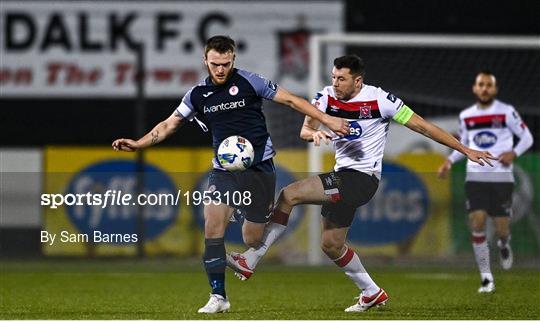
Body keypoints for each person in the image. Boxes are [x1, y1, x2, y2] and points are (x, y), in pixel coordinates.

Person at [226, 55, 496, 312]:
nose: (335, 83)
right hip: (343, 174)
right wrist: (315, 135)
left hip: (361, 179)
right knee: (331, 244)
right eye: (333, 77)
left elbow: (423, 127)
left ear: (358, 81)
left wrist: (465, 150)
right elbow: (305, 130)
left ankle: (252, 258)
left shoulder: (381, 100)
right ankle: (371, 292)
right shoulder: (325, 97)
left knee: (289, 194)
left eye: (341, 79)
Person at [111, 35, 349, 313]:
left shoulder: (251, 82)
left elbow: (292, 101)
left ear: (233, 59)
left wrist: (328, 119)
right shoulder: (197, 95)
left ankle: (245, 212)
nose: (220, 69)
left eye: (225, 63)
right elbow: (169, 125)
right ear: (205, 61)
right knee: (212, 225)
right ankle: (218, 297)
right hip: (224, 170)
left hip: (259, 169)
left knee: (252, 239)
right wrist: (138, 143)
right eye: (215, 64)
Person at [437, 71, 533, 293]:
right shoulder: (467, 116)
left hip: (501, 177)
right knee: (477, 221)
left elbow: (527, 137)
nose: (484, 88)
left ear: (495, 89)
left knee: (501, 226)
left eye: (489, 85)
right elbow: (465, 146)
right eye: (481, 84)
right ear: (475, 88)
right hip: (476, 176)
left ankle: (503, 242)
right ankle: (486, 277)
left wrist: (514, 153)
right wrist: (449, 162)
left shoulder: (506, 112)